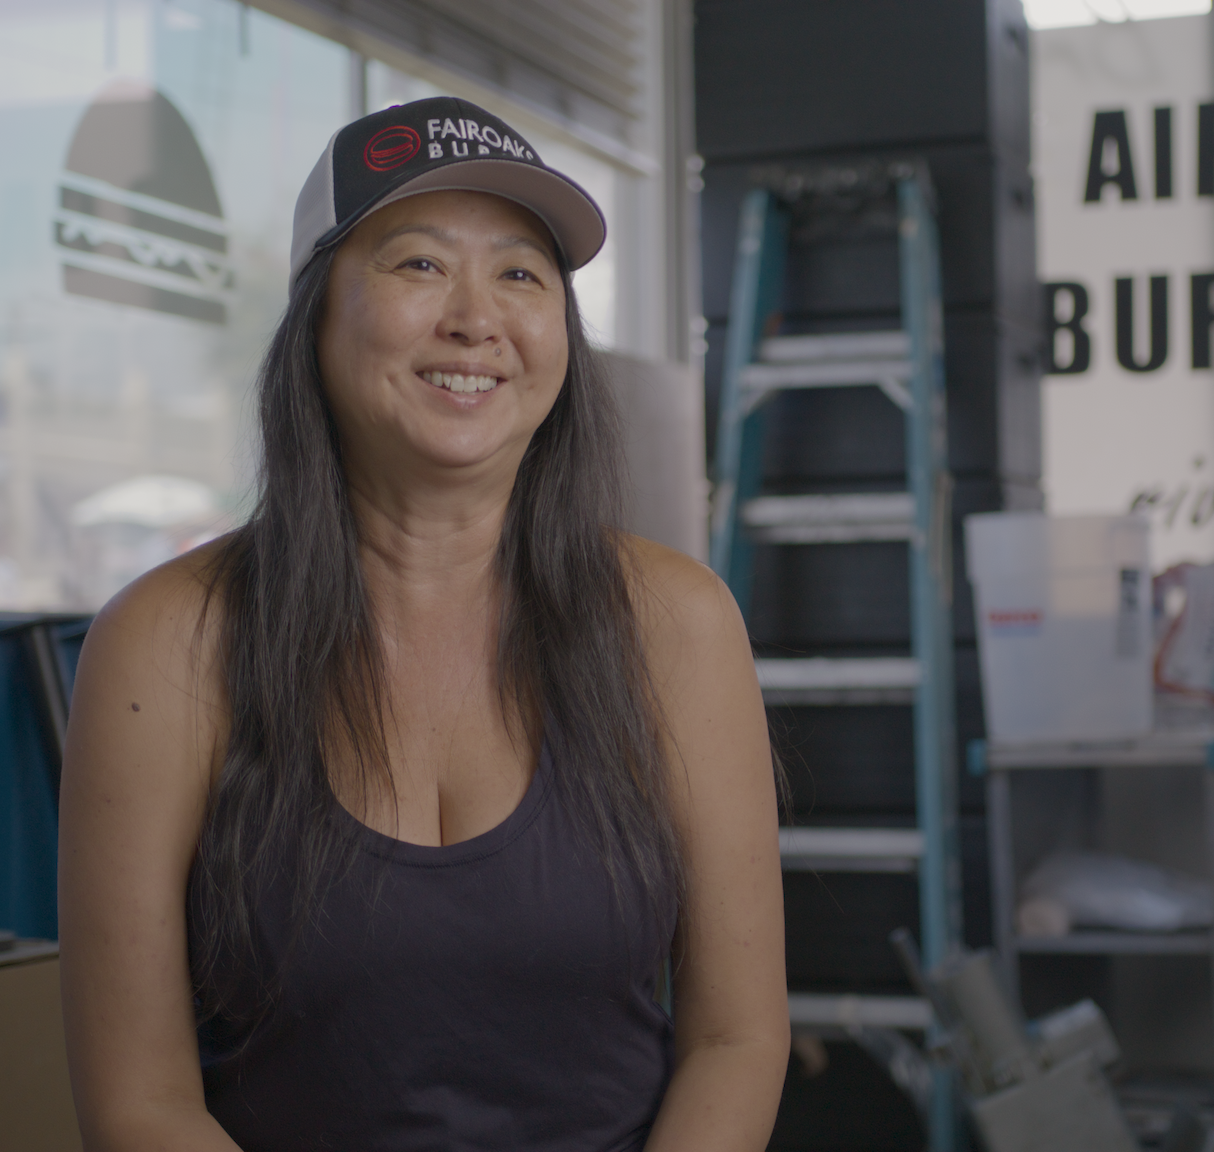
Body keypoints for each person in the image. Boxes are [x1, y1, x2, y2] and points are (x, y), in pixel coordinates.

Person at [57, 96, 788, 1152]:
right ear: (315, 316)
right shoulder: (169, 643)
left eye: (522, 275)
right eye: (419, 264)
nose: (476, 319)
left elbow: (736, 1037)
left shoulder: (675, 625)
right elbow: (140, 1102)